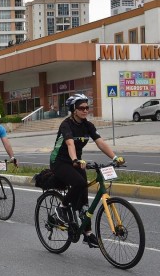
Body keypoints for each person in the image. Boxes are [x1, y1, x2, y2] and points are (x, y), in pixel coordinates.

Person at [50, 93, 125, 248]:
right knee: (79, 183)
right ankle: (62, 207)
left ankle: (88, 234)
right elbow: (70, 144)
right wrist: (75, 160)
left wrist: (115, 157)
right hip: (60, 162)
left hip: (77, 162)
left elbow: (100, 143)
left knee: (84, 199)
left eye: (87, 107)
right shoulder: (66, 124)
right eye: (81, 108)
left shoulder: (87, 125)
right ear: (74, 110)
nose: (85, 110)